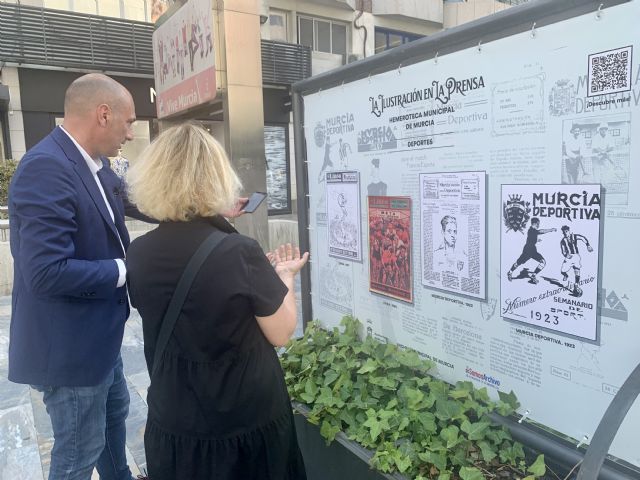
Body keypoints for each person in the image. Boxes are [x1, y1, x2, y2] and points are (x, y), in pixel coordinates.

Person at [125, 123, 309, 480]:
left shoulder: (139, 252)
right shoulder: (239, 252)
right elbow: (282, 332)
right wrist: (284, 277)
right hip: (245, 423)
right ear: (217, 179)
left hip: (175, 420)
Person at [8, 73, 149, 479]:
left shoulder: (94, 164)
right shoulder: (46, 168)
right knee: (77, 454)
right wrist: (127, 268)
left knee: (112, 426)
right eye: (129, 122)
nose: (131, 133)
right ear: (103, 114)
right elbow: (45, 272)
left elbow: (137, 201)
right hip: (69, 351)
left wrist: (203, 207)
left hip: (100, 339)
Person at [507, 217, 556, 284]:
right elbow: (541, 231)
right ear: (534, 223)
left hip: (533, 250)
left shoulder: (533, 231)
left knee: (543, 262)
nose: (538, 225)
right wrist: (551, 229)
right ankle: (510, 272)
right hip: (527, 250)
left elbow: (531, 238)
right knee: (518, 262)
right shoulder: (531, 230)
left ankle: (533, 275)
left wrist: (536, 240)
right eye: (538, 224)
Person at [559, 225, 593, 297]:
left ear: (569, 231)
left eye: (566, 231)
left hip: (576, 256)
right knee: (562, 271)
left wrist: (588, 245)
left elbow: (582, 238)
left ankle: (576, 285)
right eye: (564, 232)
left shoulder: (574, 236)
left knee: (577, 269)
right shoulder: (562, 241)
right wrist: (566, 255)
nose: (565, 233)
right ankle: (566, 275)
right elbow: (563, 251)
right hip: (569, 258)